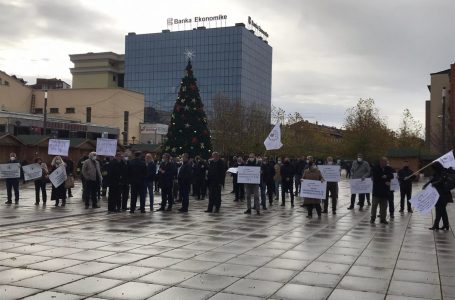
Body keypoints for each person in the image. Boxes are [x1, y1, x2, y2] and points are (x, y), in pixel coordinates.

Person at [426, 162, 451, 230]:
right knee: (442, 210)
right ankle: (446, 225)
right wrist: (426, 184)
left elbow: (442, 180)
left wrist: (435, 183)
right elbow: (432, 179)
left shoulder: (444, 172)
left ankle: (436, 225)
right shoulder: (436, 172)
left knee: (439, 210)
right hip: (438, 194)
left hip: (444, 194)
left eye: (434, 168)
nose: (433, 169)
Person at [370, 157, 394, 224]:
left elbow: (391, 175)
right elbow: (376, 177)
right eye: (385, 162)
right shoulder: (375, 168)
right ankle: (373, 218)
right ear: (381, 162)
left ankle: (383, 219)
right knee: (374, 205)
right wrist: (385, 181)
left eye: (386, 162)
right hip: (377, 191)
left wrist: (386, 176)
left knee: (384, 206)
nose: (386, 163)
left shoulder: (388, 168)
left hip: (385, 191)